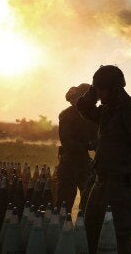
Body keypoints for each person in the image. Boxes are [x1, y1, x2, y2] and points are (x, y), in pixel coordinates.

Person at [77, 65, 131, 254]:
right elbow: (84, 108)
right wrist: (93, 89)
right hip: (101, 184)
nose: (99, 95)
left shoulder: (129, 114)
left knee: (120, 238)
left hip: (120, 189)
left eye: (101, 90)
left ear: (113, 89)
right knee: (91, 233)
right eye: (98, 90)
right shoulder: (109, 110)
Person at [57, 83, 98, 213]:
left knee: (87, 201)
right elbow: (66, 141)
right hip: (71, 161)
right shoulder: (67, 114)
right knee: (64, 202)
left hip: (81, 161)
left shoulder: (90, 115)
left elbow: (97, 139)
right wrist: (87, 146)